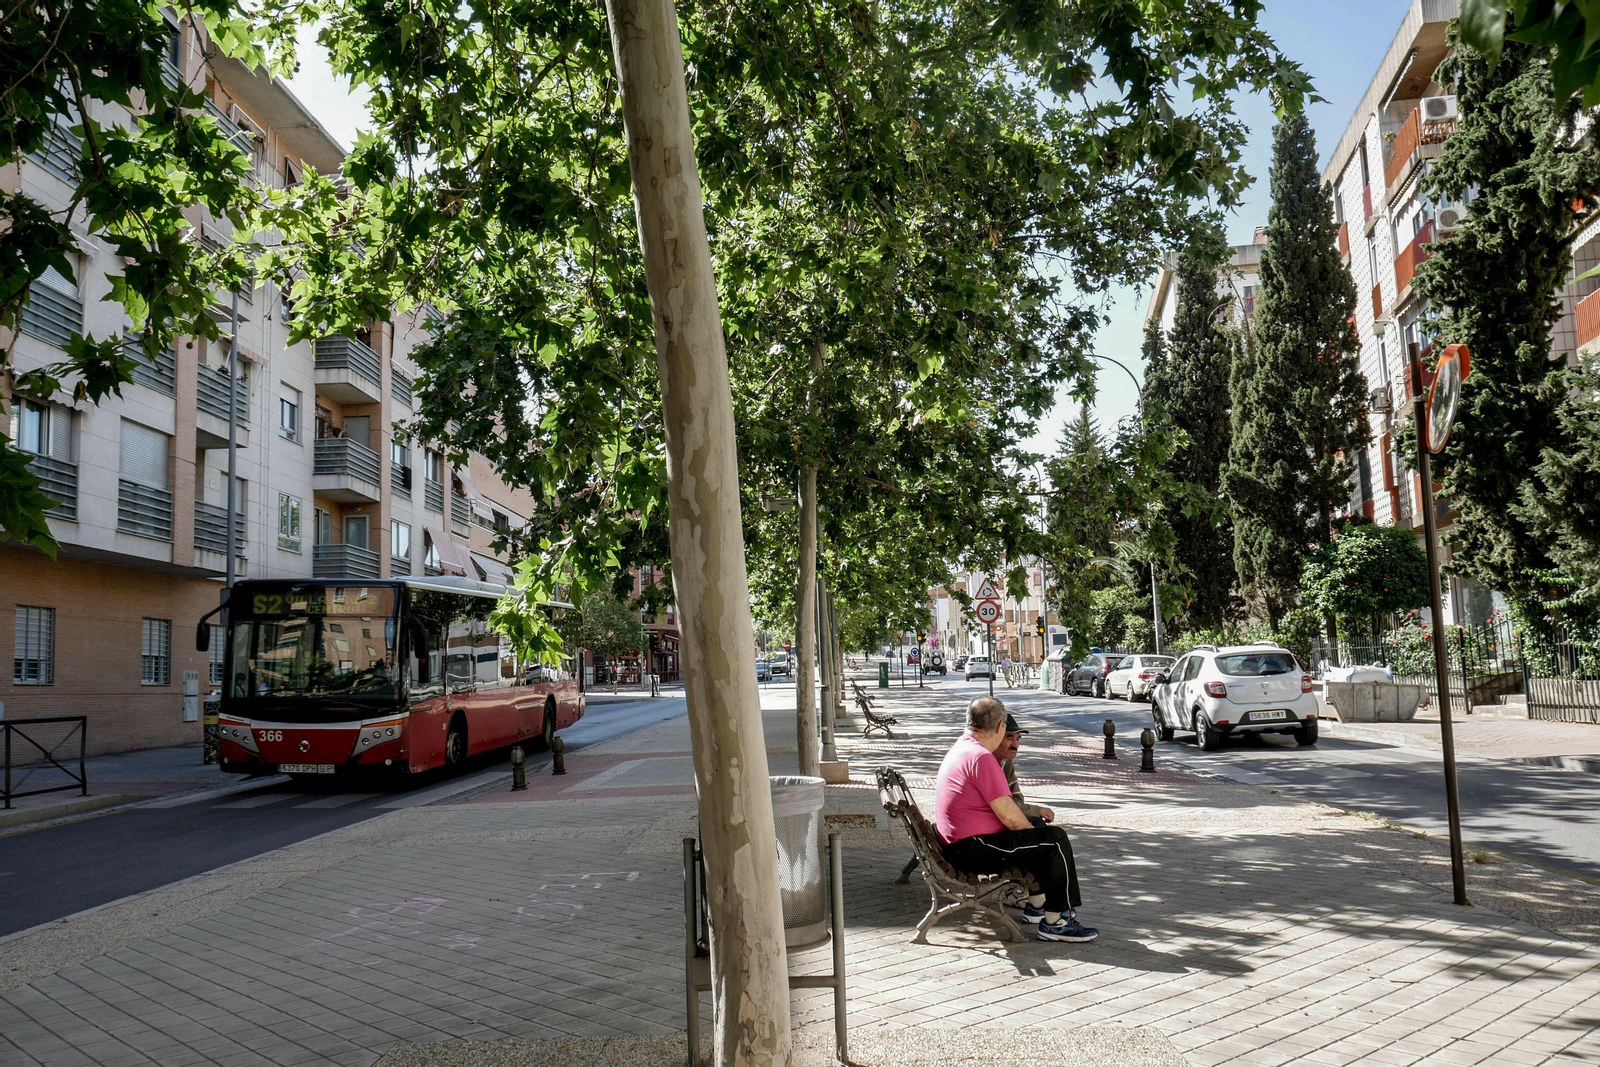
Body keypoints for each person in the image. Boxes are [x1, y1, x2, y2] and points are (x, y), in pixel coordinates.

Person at [934, 695, 1095, 942]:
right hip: (973, 849)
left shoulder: (963, 747)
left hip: (961, 845)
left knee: (1040, 834)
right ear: (1000, 727)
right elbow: (1011, 818)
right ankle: (1056, 921)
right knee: (1054, 840)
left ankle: (1039, 906)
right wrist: (1036, 835)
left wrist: (1034, 832)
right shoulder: (981, 757)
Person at [997, 714, 1054, 826]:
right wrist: (1036, 810)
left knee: (1040, 826)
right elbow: (1002, 806)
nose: (1015, 745)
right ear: (995, 738)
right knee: (1053, 834)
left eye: (1017, 739)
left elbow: (1016, 798)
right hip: (983, 831)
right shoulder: (985, 762)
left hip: (1004, 820)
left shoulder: (1006, 762)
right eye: (1009, 738)